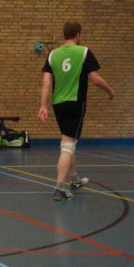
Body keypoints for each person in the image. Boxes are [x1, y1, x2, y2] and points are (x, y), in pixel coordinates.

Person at [38, 20, 115, 202]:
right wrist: (110, 91)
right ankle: (59, 188)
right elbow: (95, 79)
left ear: (64, 35)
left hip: (58, 104)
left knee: (68, 139)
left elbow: (46, 81)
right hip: (75, 102)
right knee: (67, 145)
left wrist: (43, 106)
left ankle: (75, 180)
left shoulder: (53, 54)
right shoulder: (84, 52)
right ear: (78, 35)